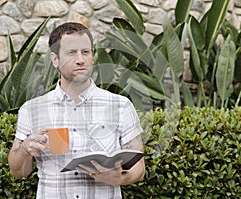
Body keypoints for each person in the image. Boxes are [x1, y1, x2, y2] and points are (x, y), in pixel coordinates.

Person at [8, 22, 145, 199]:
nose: (80, 59)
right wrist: (25, 149)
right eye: (71, 52)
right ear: (55, 59)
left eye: (85, 52)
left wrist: (119, 178)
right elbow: (17, 172)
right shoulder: (31, 109)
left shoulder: (121, 105)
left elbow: (139, 168)